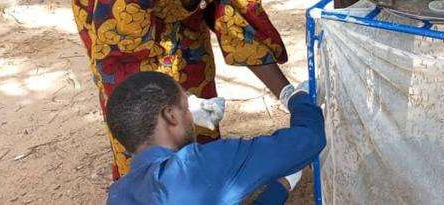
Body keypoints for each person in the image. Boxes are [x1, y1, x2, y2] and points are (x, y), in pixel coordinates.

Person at [64, 0, 292, 179]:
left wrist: (289, 94)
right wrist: (180, 102)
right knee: (143, 99)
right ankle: (147, 181)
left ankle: (200, 168)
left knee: (194, 68)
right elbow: (125, 66)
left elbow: (243, 32)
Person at [106, 71, 325, 205]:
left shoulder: (118, 194)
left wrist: (281, 187)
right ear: (170, 116)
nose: (192, 118)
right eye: (186, 108)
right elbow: (310, 137)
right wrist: (298, 98)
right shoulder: (198, 166)